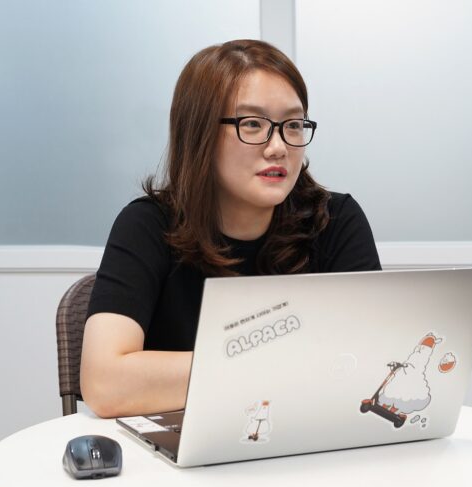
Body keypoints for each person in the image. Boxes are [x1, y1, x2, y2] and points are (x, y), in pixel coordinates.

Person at [80, 39, 381, 418]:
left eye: (292, 125)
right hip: (183, 442)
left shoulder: (334, 220)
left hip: (308, 435)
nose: (278, 147)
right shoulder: (147, 225)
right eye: (252, 124)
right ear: (200, 133)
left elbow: (373, 363)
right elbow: (106, 385)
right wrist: (282, 364)